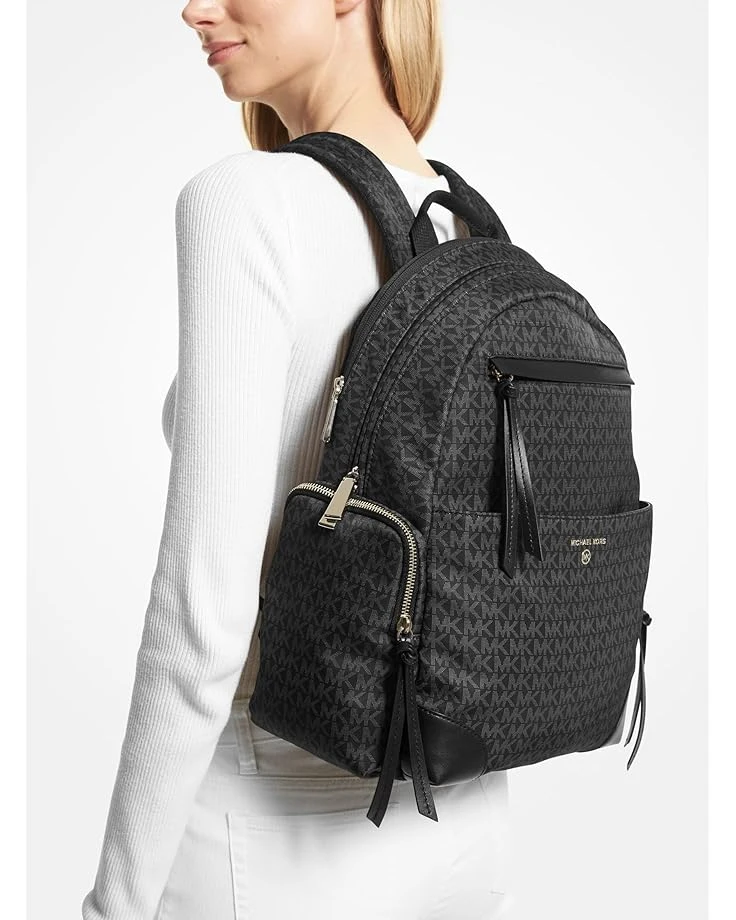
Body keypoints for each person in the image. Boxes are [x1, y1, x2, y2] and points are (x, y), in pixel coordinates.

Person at [81, 2, 512, 918]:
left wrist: (113, 903)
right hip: (467, 819)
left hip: (270, 830)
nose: (194, 9)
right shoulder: (474, 232)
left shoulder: (247, 201)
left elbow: (204, 625)